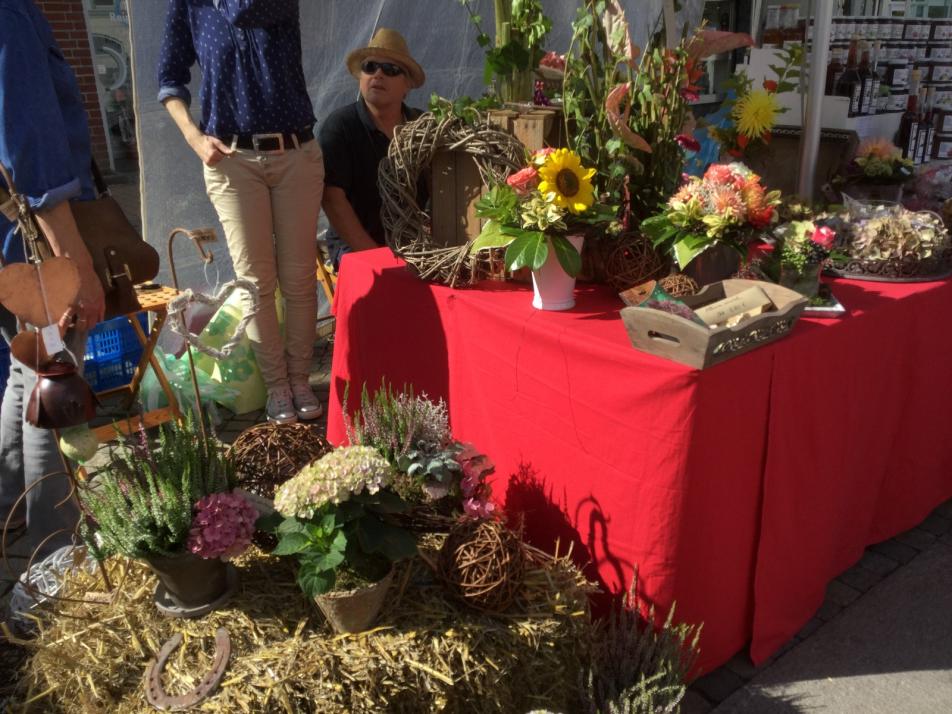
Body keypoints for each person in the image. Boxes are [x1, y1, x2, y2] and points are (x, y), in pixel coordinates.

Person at [158, 0, 324, 425]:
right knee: (255, 281)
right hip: (231, 160)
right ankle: (278, 387)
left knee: (299, 277)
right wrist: (195, 138)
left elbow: (242, 10)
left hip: (295, 152)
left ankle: (301, 378)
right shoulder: (189, 5)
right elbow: (170, 79)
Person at [0, 0, 105, 554]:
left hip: (11, 238)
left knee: (25, 373)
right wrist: (76, 262)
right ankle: (54, 552)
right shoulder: (11, 13)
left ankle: (11, 508)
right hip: (32, 237)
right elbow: (31, 147)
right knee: (53, 376)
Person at [319, 28, 426, 269]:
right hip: (355, 246)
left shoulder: (422, 126)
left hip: (414, 244)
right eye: (370, 67)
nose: (378, 74)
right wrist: (378, 257)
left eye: (390, 70)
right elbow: (332, 199)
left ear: (407, 85)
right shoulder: (340, 126)